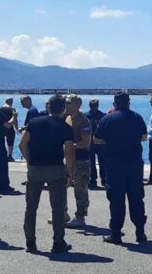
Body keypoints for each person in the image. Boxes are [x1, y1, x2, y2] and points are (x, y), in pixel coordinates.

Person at [19, 94, 76, 254]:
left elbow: (22, 144)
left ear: (48, 107)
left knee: (31, 207)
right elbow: (69, 153)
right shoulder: (66, 128)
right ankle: (58, 243)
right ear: (63, 109)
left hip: (35, 168)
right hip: (56, 169)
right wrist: (70, 174)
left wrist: (29, 159)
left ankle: (30, 242)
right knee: (57, 208)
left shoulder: (34, 123)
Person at [94, 92, 148, 244]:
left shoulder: (108, 119)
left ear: (114, 103)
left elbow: (97, 139)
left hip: (115, 164)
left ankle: (116, 233)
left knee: (116, 199)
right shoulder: (137, 117)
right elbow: (144, 137)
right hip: (134, 164)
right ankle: (140, 232)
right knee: (136, 197)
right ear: (128, 102)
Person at [63, 94, 92, 228]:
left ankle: (80, 216)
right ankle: (63, 214)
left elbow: (86, 142)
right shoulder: (67, 118)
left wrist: (70, 146)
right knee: (61, 186)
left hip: (81, 160)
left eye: (68, 102)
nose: (66, 105)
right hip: (67, 159)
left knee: (80, 189)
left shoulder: (84, 121)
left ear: (77, 105)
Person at [86, 99, 107, 188]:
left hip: (92, 142)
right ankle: (102, 179)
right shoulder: (103, 116)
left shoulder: (86, 116)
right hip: (99, 142)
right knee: (100, 161)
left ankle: (94, 180)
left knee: (93, 162)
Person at [0, 98, 19, 162]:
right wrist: (16, 128)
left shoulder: (0, 108)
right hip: (10, 127)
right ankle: (9, 156)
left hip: (2, 127)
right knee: (10, 143)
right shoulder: (12, 109)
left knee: (1, 141)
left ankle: (2, 155)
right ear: (10, 102)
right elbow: (15, 119)